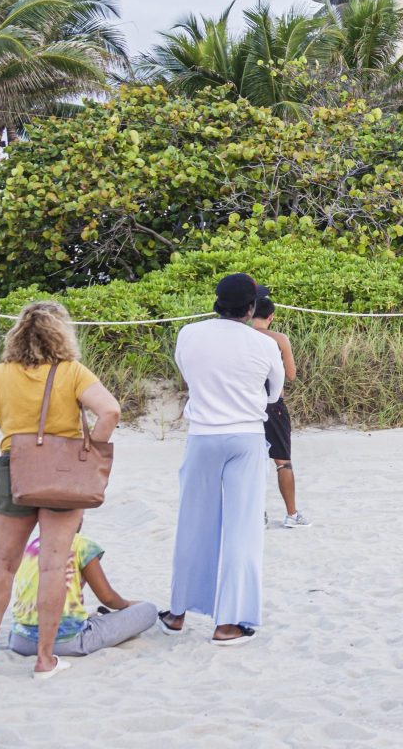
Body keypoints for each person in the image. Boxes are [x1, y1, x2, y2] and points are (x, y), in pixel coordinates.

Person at [0, 301, 121, 679]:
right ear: (62, 333)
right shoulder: (73, 372)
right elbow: (109, 411)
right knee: (53, 564)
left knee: (1, 566)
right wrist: (91, 449)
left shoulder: (0, 375)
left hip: (14, 470)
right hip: (64, 474)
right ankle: (45, 660)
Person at [159, 273, 283, 645]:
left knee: (193, 524)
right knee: (242, 530)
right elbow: (274, 393)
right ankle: (228, 624)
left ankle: (178, 612)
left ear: (217, 302)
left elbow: (188, 375)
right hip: (245, 436)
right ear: (251, 308)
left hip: (202, 435)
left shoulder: (189, 334)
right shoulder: (263, 344)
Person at [8, 528, 156, 658]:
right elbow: (108, 598)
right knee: (149, 610)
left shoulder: (32, 546)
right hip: (66, 642)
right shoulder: (81, 545)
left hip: (19, 640)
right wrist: (127, 604)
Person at [251, 295, 309, 528]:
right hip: (273, 406)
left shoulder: (241, 337)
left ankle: (258, 514)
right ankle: (292, 514)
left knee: (252, 464)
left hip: (245, 404)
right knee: (283, 462)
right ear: (271, 317)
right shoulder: (278, 339)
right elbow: (292, 375)